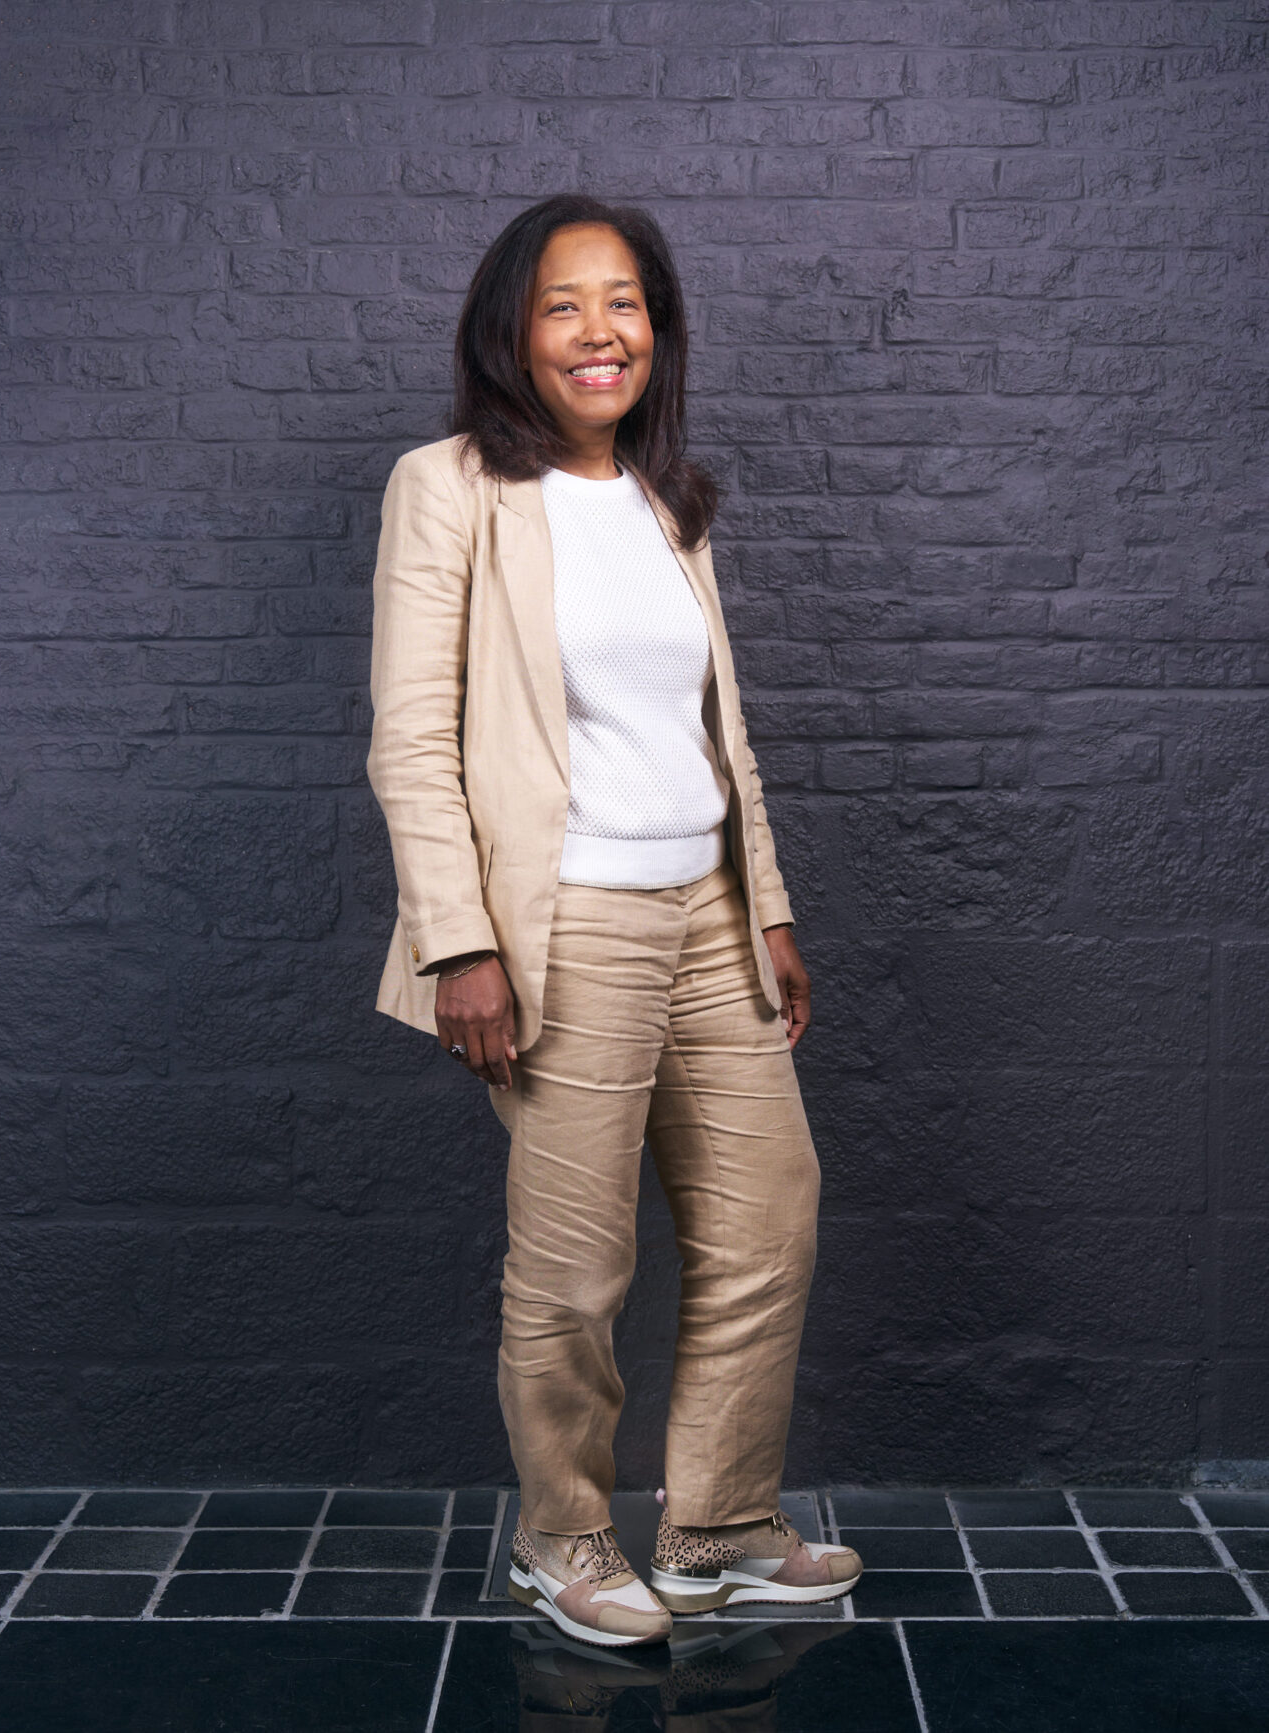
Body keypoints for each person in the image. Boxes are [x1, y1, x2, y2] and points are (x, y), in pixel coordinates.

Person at [366, 193, 861, 1648]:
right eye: (565, 304)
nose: (601, 331)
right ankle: (562, 1538)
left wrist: (766, 905)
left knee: (768, 1218)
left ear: (659, 329)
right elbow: (413, 735)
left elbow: (716, 728)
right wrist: (459, 940)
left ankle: (717, 1527)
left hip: (706, 908)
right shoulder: (449, 485)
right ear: (512, 331)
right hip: (562, 920)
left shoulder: (663, 498)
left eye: (626, 301)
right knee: (578, 1263)